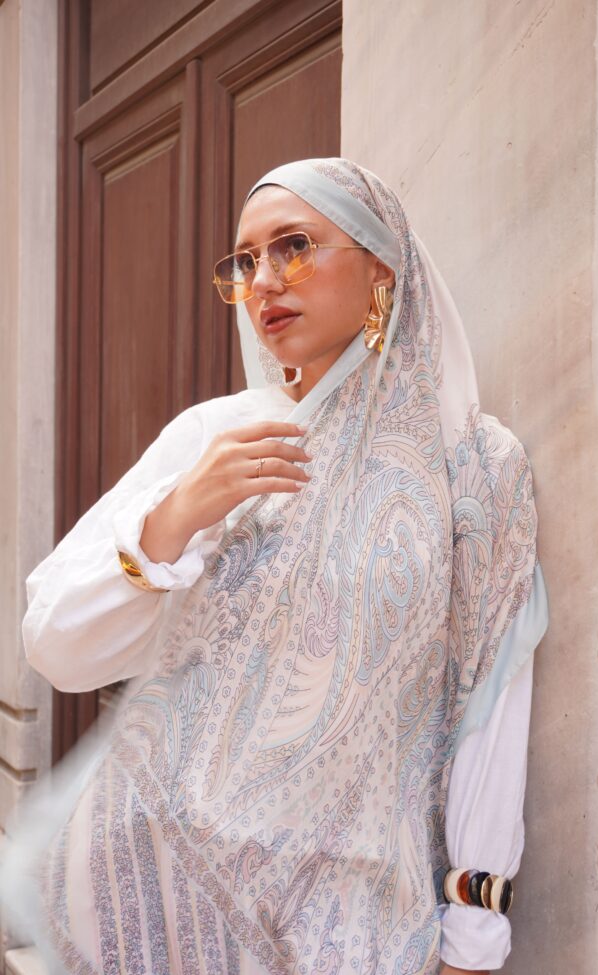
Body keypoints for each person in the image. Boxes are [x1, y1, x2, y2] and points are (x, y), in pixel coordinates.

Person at [2, 158, 548, 974]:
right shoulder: (218, 438)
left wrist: (474, 934)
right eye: (246, 260)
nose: (263, 281)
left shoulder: (471, 466)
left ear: (381, 266)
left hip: (357, 928)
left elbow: (489, 700)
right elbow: (56, 645)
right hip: (158, 909)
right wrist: (176, 515)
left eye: (293, 246)